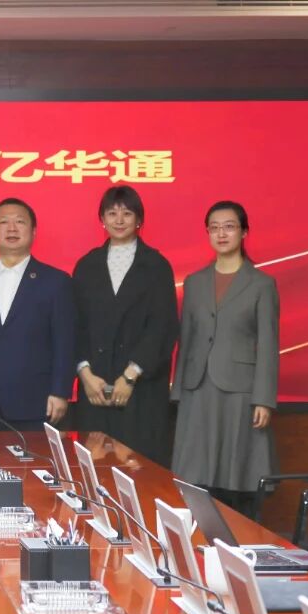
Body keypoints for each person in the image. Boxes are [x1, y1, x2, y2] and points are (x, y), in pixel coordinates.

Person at [172, 200, 279, 515]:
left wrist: (264, 399)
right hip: (197, 387)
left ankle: (237, 534)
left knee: (236, 472)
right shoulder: (194, 282)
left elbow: (268, 344)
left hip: (240, 390)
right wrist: (178, 391)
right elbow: (187, 339)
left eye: (229, 227)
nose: (221, 234)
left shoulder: (262, 284)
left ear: (244, 232)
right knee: (196, 472)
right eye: (214, 228)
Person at [72, 186, 179, 464]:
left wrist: (131, 375)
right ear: (102, 219)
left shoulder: (156, 265)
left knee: (140, 469)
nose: (119, 220)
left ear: (139, 219)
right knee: (94, 470)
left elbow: (163, 326)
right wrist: (85, 374)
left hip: (141, 389)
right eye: (112, 213)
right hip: (95, 387)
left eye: (127, 213)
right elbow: (74, 325)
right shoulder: (86, 265)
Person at [0, 198, 74, 430]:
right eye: (3, 222)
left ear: (33, 231)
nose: (11, 228)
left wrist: (60, 391)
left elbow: (64, 341)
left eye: (20, 222)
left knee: (30, 455)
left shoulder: (56, 281)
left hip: (35, 400)